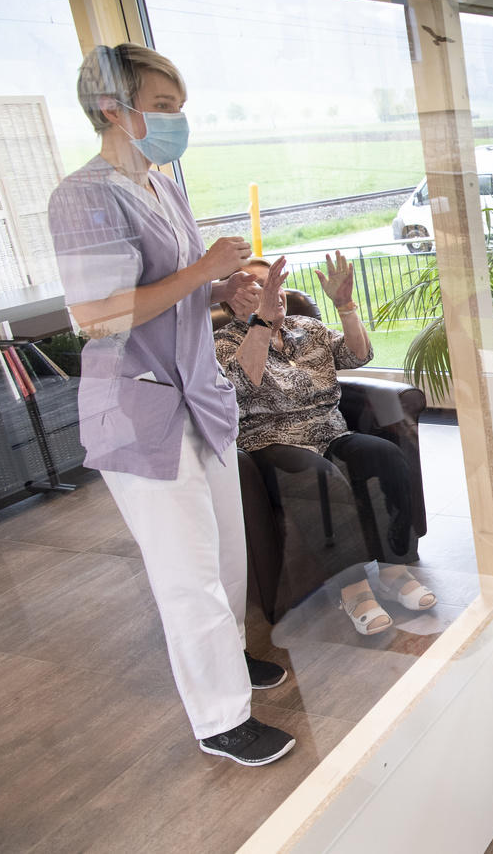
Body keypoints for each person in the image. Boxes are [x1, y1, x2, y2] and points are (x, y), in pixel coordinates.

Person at [47, 43, 295, 766]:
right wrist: (201, 270)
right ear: (110, 108)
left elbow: (175, 291)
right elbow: (95, 316)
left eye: (178, 108)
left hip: (196, 394)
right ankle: (220, 717)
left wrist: (221, 292)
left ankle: (229, 661)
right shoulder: (83, 197)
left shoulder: (163, 186)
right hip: (137, 408)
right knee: (185, 571)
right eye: (162, 108)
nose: (175, 121)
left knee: (224, 550)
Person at [214, 253, 436, 636]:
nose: (274, 293)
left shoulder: (307, 327)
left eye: (276, 284)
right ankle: (352, 591)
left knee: (384, 455)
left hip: (330, 431)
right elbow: (241, 385)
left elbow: (359, 354)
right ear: (229, 299)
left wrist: (345, 306)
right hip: (270, 442)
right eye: (260, 287)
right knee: (320, 478)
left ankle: (395, 568)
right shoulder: (221, 343)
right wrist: (262, 322)